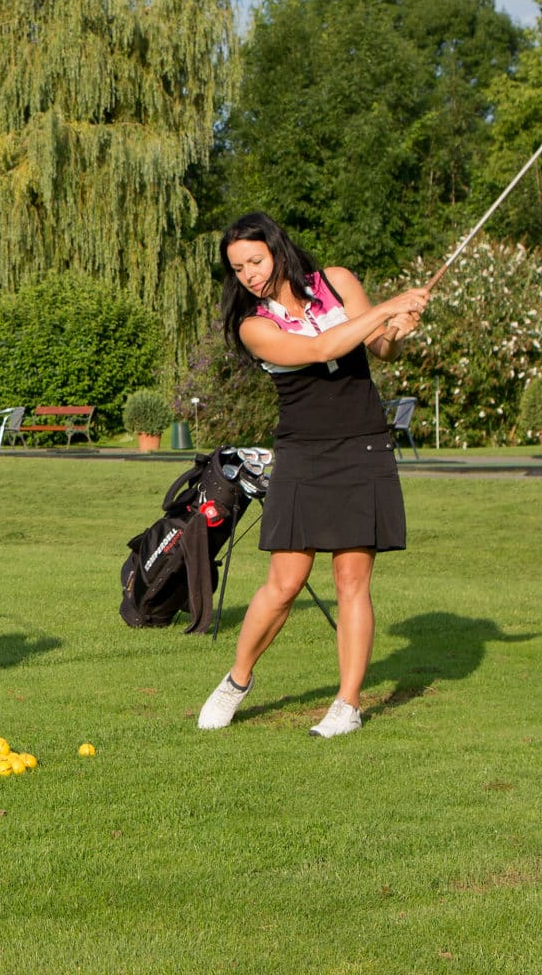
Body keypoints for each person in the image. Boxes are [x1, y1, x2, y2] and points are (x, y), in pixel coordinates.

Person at [196, 213, 429, 739]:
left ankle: (347, 704)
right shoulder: (254, 325)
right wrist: (388, 307)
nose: (250, 275)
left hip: (363, 444)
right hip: (303, 452)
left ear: (277, 249)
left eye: (255, 261)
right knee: (284, 583)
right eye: (239, 269)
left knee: (352, 582)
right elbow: (321, 349)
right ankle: (236, 680)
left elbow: (381, 347)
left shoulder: (337, 282)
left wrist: (398, 329)